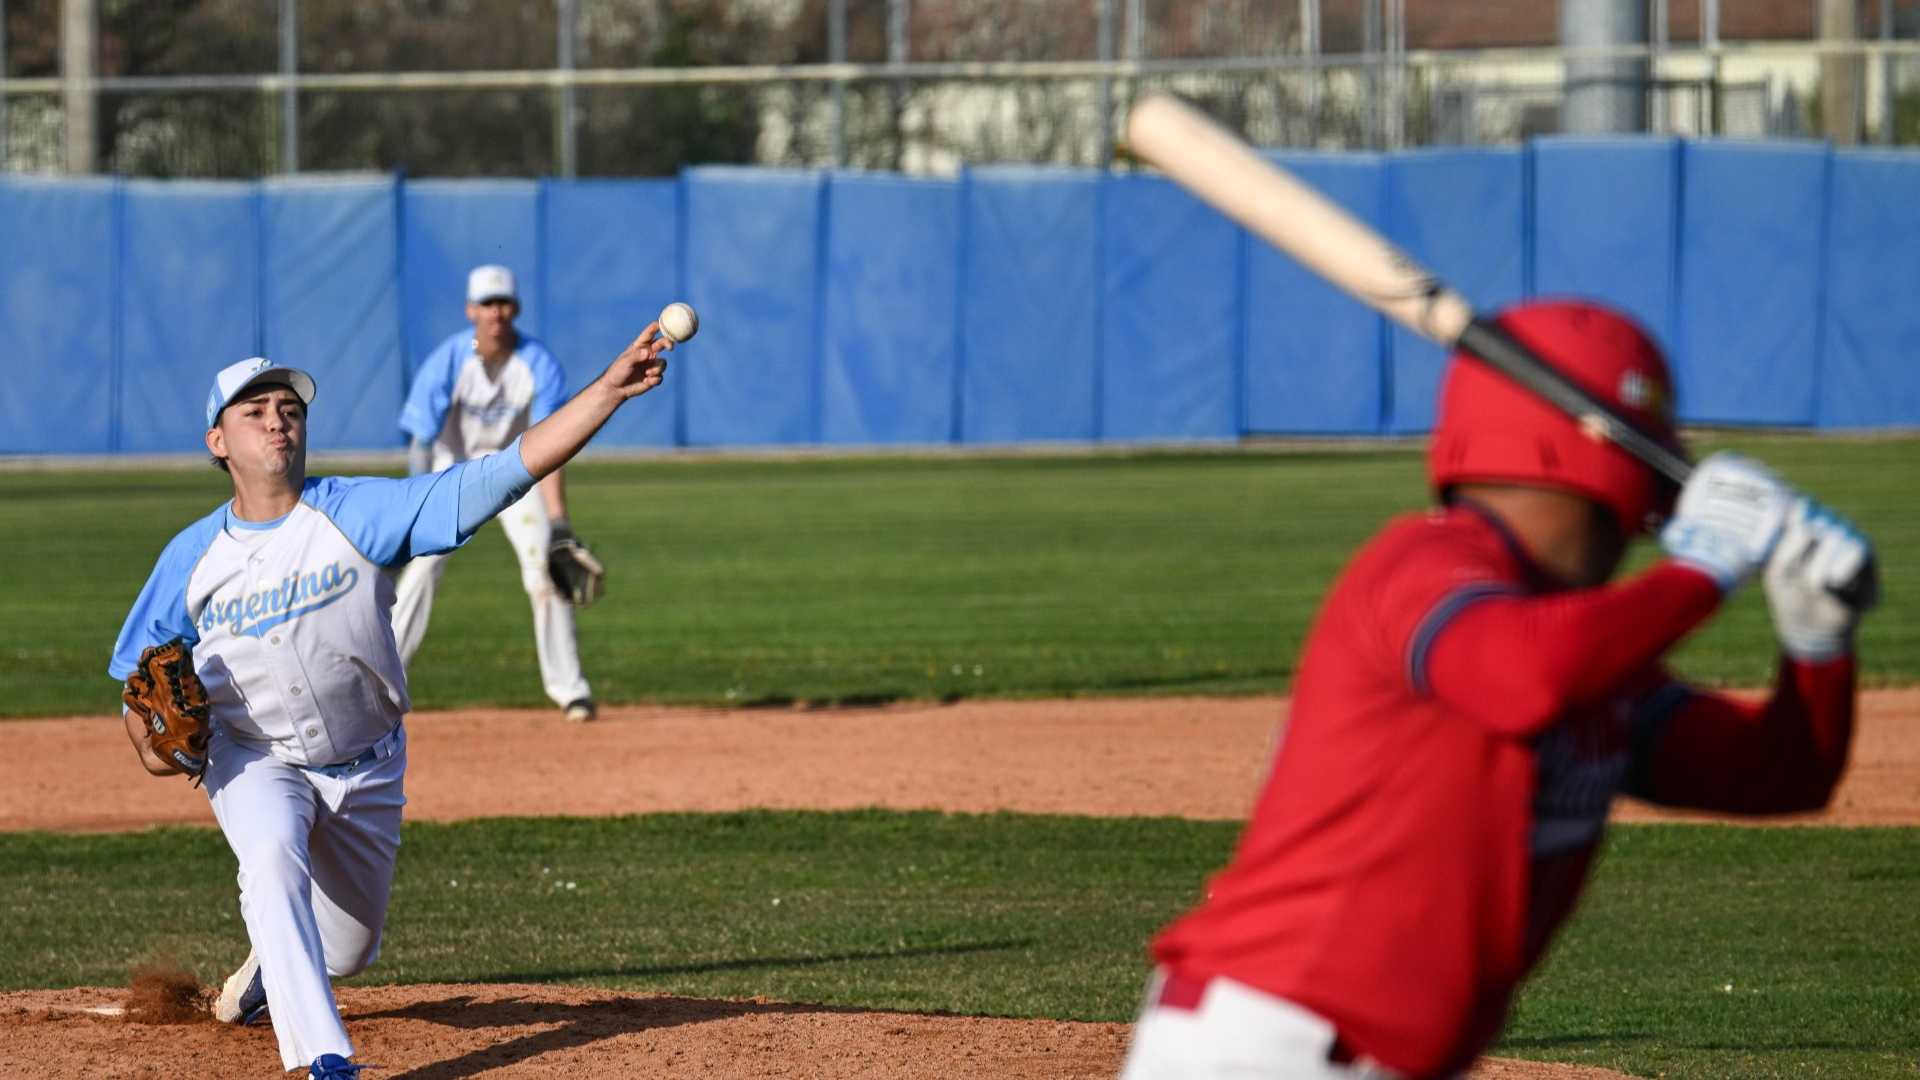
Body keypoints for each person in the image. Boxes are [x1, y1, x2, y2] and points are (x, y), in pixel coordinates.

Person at [1116, 300, 1876, 1080]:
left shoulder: (1576, 650)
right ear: (1611, 463)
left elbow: (1778, 773)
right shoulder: (1425, 565)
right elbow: (1522, 680)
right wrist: (1701, 573)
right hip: (1264, 1048)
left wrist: (1818, 643)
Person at [108, 324, 671, 1080]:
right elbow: (137, 685)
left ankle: (269, 975)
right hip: (253, 757)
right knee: (270, 860)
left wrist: (606, 390)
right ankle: (323, 1059)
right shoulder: (190, 559)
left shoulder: (356, 514)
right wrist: (150, 749)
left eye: (288, 407)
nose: (277, 417)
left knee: (349, 948)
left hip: (368, 765)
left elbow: (500, 475)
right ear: (219, 441)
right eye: (254, 410)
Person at [392, 264, 598, 723]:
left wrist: (559, 521)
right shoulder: (449, 360)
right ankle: (383, 688)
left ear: (516, 308)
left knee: (546, 572)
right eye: (487, 303)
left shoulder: (537, 363)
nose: (496, 313)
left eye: (503, 302)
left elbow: (554, 445)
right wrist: (410, 508)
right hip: (452, 475)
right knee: (422, 574)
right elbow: (421, 442)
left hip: (515, 472)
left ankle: (571, 691)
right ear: (471, 310)